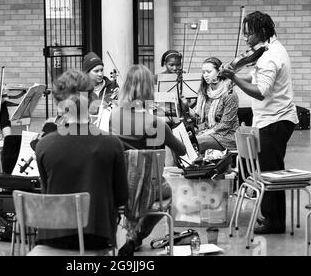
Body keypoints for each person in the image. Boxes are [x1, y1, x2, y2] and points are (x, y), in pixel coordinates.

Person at [220, 11, 299, 234]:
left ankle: (274, 222)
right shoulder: (269, 50)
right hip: (275, 118)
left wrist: (233, 77)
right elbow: (254, 78)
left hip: (275, 121)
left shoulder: (270, 57)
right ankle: (273, 218)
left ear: (262, 32)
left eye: (249, 34)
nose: (246, 39)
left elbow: (261, 91)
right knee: (270, 170)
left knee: (269, 172)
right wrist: (233, 74)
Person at [35, 69, 128, 250]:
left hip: (52, 235)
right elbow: (122, 197)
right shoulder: (112, 144)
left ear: (59, 105)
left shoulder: (43, 145)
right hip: (96, 237)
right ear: (91, 100)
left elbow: (47, 194)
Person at [109, 64, 186, 256]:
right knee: (167, 193)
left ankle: (123, 239)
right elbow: (182, 151)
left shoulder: (114, 115)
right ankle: (136, 237)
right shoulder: (154, 122)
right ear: (149, 90)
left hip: (118, 185)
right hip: (147, 188)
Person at [188, 57, 239, 153]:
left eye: (208, 71)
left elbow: (225, 125)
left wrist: (205, 133)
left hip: (227, 136)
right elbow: (198, 118)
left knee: (193, 143)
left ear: (219, 72)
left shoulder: (229, 94)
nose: (205, 75)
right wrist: (186, 107)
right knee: (177, 141)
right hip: (207, 133)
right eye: (203, 72)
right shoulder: (204, 92)